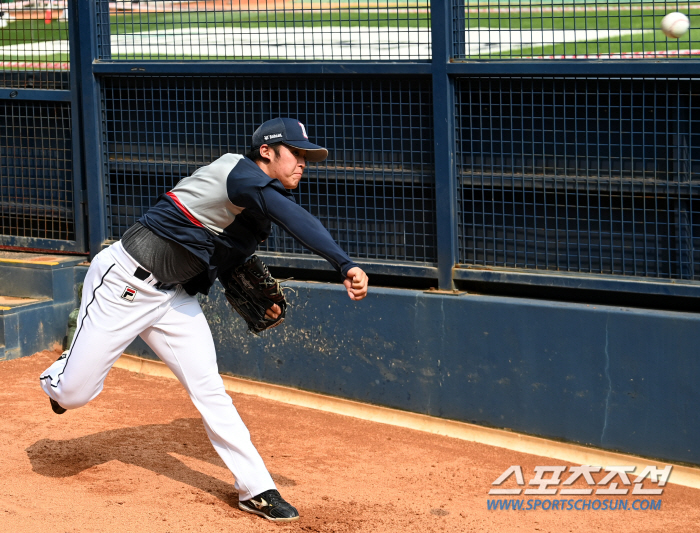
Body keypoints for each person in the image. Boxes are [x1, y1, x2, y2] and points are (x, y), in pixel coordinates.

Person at [39, 118, 369, 523]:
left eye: (306, 156)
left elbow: (227, 256)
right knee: (73, 394)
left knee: (210, 389)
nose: (303, 162)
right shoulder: (238, 173)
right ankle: (62, 370)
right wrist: (344, 264)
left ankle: (256, 489)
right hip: (122, 283)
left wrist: (244, 285)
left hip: (174, 300)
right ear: (267, 151)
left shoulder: (254, 212)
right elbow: (296, 218)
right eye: (296, 153)